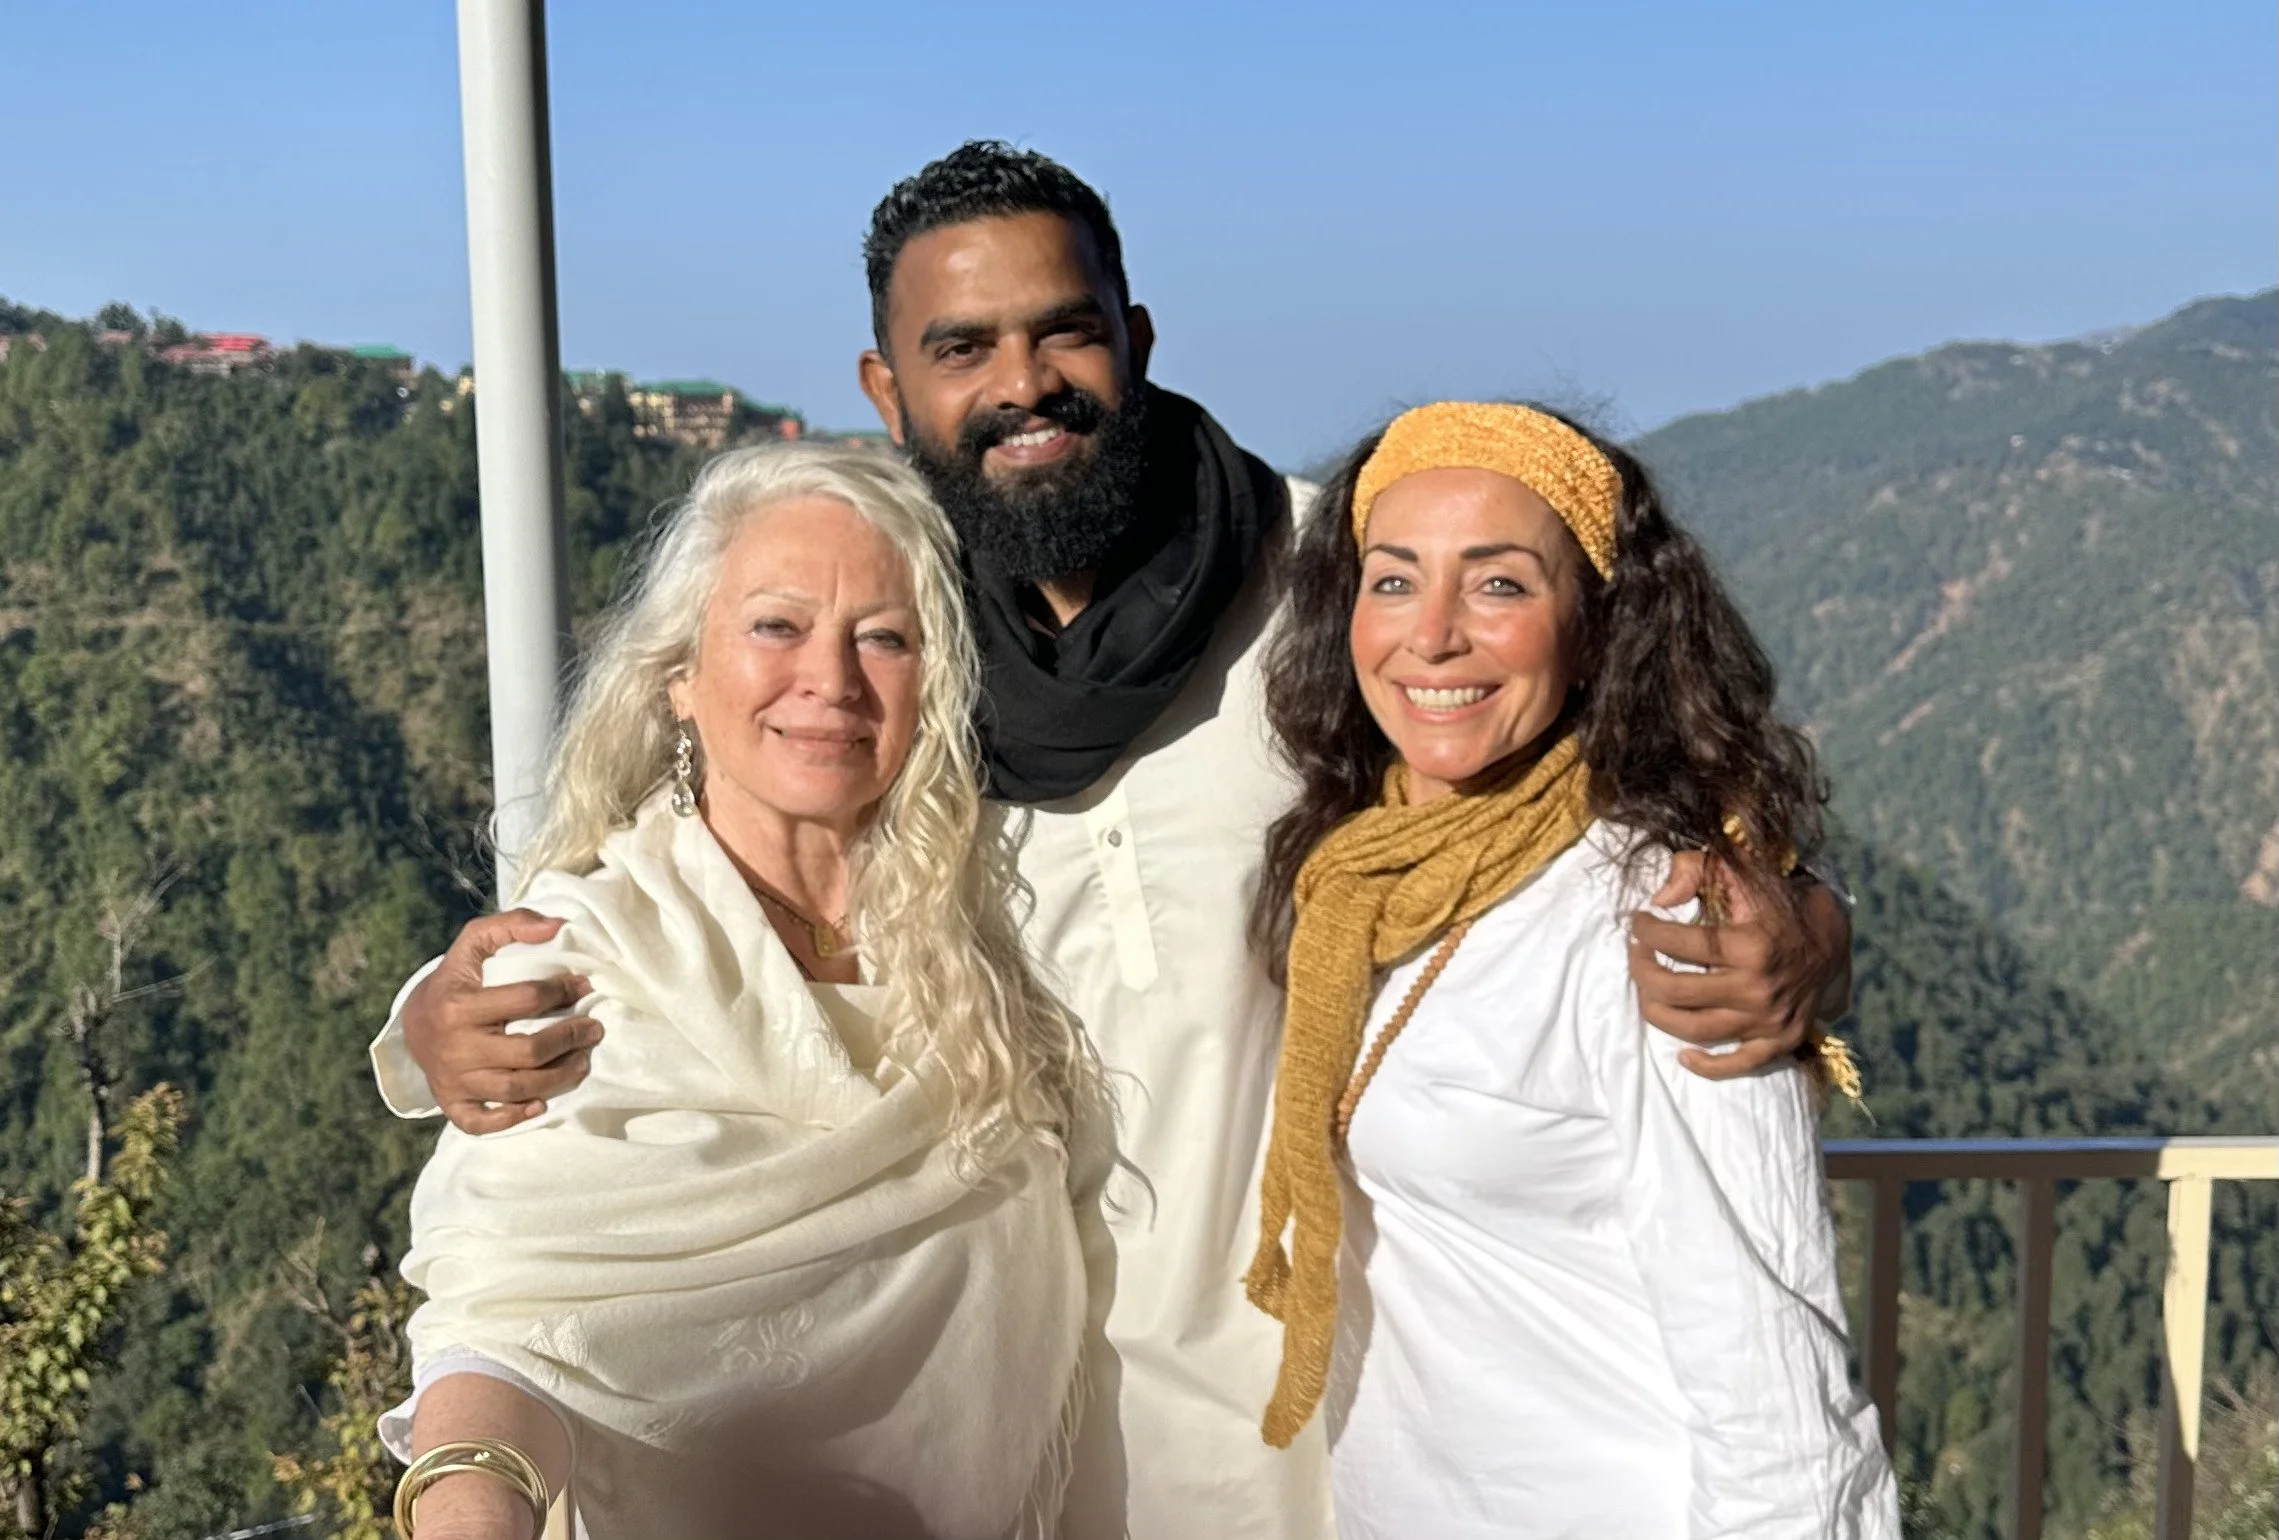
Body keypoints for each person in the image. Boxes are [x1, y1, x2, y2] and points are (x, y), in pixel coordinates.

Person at [370, 143, 1858, 1539]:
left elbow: (1583, 756)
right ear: (888, 389)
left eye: (1061, 332)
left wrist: (1802, 913)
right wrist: (433, 1021)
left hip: (1324, 1448)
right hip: (1022, 1449)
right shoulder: (900, 667)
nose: (1024, 386)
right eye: (962, 350)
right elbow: (708, 869)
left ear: (1133, 337)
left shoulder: (1327, 596)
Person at [380, 443, 1103, 1540]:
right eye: (776, 625)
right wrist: (474, 1509)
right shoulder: (577, 962)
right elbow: (506, 1315)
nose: (832, 679)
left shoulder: (997, 945)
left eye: (885, 636)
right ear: (679, 673)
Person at [1244, 402, 1900, 1538]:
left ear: (1596, 629)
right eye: (1392, 581)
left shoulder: (1657, 914)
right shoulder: (1355, 873)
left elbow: (1769, 1361)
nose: (1432, 633)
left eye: (1498, 584)